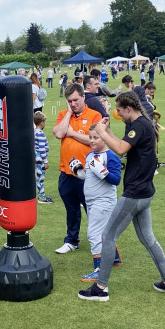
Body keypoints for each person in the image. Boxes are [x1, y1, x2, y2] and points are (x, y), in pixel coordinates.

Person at [78, 91, 165, 301]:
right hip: (145, 193)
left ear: (129, 109)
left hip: (135, 194)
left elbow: (120, 150)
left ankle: (101, 288)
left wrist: (101, 132)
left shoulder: (139, 125)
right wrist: (108, 131)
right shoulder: (137, 124)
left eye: (120, 112)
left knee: (107, 236)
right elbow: (123, 145)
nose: (119, 115)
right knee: (147, 238)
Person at [53, 84, 103, 253]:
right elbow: (59, 133)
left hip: (88, 173)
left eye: (75, 100)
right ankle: (71, 240)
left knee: (91, 209)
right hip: (66, 171)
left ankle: (100, 241)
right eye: (69, 101)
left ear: (83, 97)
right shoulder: (63, 115)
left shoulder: (94, 115)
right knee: (71, 208)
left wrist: (73, 133)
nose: (73, 104)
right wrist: (68, 113)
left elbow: (94, 140)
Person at [79, 124, 123, 282]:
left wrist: (102, 171)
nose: (91, 140)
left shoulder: (110, 156)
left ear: (104, 138)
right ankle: (115, 258)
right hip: (91, 201)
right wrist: (78, 171)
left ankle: (99, 269)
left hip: (103, 201)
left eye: (96, 137)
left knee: (94, 233)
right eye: (90, 137)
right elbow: (89, 177)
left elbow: (116, 180)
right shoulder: (90, 155)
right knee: (104, 231)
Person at [33, 112, 53, 204]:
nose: (45, 123)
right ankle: (41, 197)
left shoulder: (34, 132)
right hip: (40, 158)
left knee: (39, 176)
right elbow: (42, 149)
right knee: (41, 177)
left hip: (36, 157)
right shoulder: (40, 133)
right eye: (44, 121)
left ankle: (41, 195)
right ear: (41, 122)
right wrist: (45, 161)